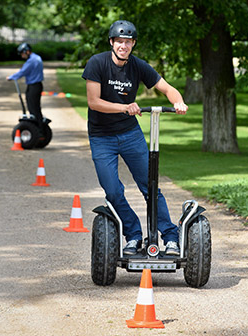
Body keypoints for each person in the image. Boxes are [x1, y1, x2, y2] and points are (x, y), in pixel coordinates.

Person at [82, 20, 188, 256]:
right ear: (112, 42)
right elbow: (93, 102)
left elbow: (168, 89)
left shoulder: (138, 66)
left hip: (130, 135)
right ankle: (133, 235)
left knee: (150, 187)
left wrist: (177, 101)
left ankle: (170, 238)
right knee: (112, 191)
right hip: (102, 138)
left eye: (128, 42)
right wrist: (125, 107)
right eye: (119, 41)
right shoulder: (97, 63)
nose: (123, 45)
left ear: (133, 44)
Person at [6, 43, 44, 135]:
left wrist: (11, 77)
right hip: (37, 85)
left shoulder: (32, 61)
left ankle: (38, 131)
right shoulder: (37, 57)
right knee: (35, 108)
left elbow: (23, 72)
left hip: (33, 86)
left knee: (33, 109)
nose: (22, 56)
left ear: (27, 51)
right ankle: (39, 129)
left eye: (22, 53)